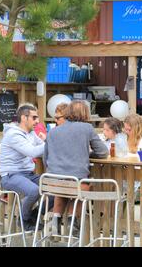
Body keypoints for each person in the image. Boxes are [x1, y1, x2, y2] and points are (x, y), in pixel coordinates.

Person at [45, 100, 108, 236]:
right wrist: (89, 153)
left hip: (51, 182)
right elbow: (103, 152)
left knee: (64, 186)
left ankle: (56, 220)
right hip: (75, 182)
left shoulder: (52, 132)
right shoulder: (87, 128)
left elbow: (46, 158)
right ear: (86, 113)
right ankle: (72, 220)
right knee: (84, 184)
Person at [0, 103, 47, 231]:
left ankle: (33, 215)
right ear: (24, 118)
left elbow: (43, 146)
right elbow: (33, 152)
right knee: (34, 191)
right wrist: (51, 141)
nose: (38, 121)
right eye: (34, 117)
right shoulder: (14, 134)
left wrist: (48, 142)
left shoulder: (31, 133)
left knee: (56, 187)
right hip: (11, 175)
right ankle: (24, 220)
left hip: (28, 174)